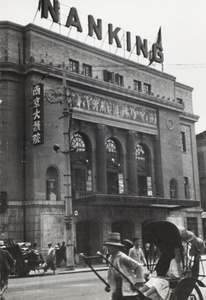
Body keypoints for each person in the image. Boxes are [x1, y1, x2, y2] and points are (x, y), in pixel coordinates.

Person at [104, 232, 146, 300]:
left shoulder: (122, 257)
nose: (108, 248)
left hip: (126, 287)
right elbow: (110, 273)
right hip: (117, 288)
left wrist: (138, 282)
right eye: (107, 246)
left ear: (116, 247)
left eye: (110, 246)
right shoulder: (111, 258)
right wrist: (108, 284)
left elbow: (139, 266)